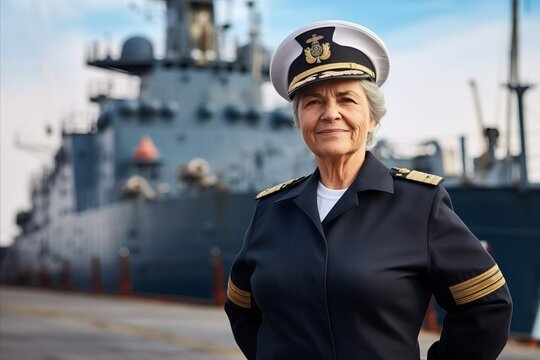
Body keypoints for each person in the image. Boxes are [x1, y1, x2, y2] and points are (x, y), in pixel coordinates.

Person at [224, 20, 512, 360]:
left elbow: (486, 306)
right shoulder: (271, 210)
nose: (330, 114)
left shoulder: (418, 204)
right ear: (299, 120)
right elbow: (242, 307)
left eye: (346, 100)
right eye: (313, 103)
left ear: (372, 118)